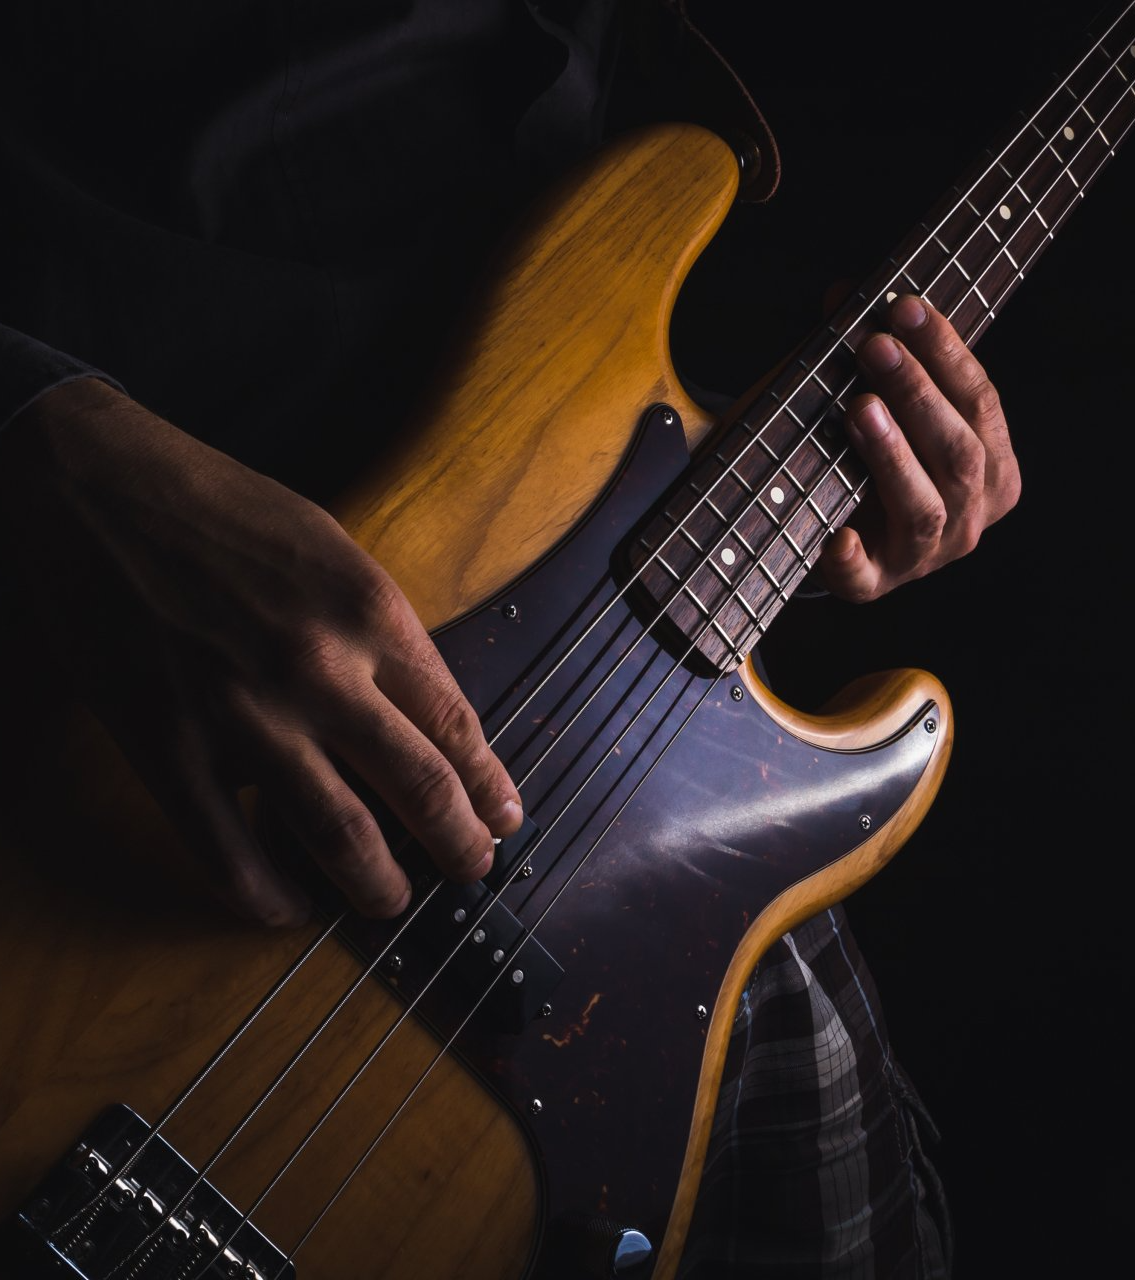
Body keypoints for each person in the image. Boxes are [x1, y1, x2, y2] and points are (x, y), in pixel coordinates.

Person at [0, 2, 1025, 1276]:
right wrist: (48, 438)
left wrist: (809, 481)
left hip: (595, 830)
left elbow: (537, 303)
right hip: (96, 758)